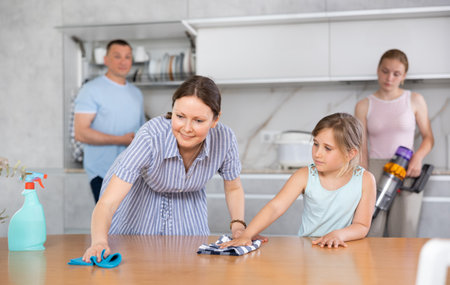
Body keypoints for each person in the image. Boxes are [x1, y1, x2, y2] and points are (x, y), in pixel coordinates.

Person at [82, 75, 250, 262]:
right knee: (135, 265)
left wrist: (238, 226)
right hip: (139, 203)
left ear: (215, 120)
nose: (187, 128)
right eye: (180, 116)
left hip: (188, 206)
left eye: (198, 121)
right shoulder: (150, 137)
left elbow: (233, 187)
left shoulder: (224, 139)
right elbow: (107, 203)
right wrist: (98, 242)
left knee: (191, 267)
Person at [221, 113, 376, 249]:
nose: (318, 154)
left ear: (350, 153)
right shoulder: (305, 175)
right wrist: (246, 235)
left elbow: (361, 225)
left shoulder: (365, 180)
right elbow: (275, 207)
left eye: (327, 148)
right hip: (310, 248)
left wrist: (338, 235)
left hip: (346, 248)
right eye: (316, 144)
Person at [355, 49, 434, 237]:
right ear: (378, 70)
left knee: (404, 234)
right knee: (371, 230)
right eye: (385, 71)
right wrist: (363, 177)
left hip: (407, 169)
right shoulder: (364, 105)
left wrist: (417, 158)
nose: (389, 77)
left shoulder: (415, 100)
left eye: (396, 73)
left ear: (403, 76)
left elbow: (429, 137)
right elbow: (361, 146)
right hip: (374, 170)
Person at [74, 39, 146, 203]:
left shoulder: (136, 94)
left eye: (127, 57)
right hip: (102, 173)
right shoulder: (91, 90)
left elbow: (142, 132)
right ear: (106, 60)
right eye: (117, 56)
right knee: (110, 225)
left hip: (132, 172)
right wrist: (120, 140)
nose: (123, 61)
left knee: (133, 226)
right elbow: (81, 133)